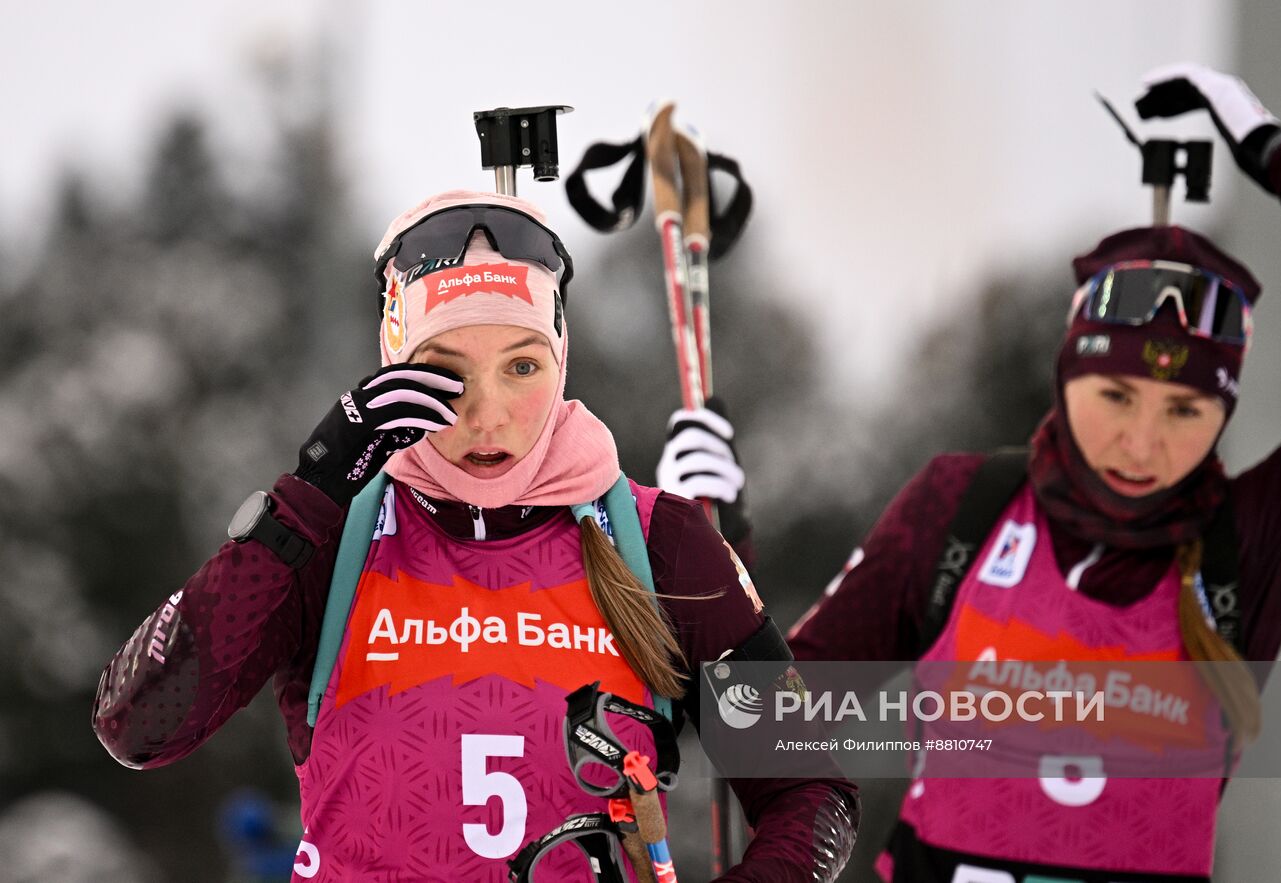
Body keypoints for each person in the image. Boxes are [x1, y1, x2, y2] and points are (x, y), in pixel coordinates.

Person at [657, 64, 1281, 882]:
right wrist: (719, 554)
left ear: (1222, 417)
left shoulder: (1251, 541)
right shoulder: (964, 507)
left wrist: (1270, 147)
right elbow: (765, 731)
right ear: (1068, 377)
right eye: (1116, 394)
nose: (1143, 441)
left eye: (1185, 412)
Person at [92, 189, 858, 882]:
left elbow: (811, 785)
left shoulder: (655, 538)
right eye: (444, 371)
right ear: (392, 364)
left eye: (521, 366)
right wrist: (303, 501)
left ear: (561, 358)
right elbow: (137, 723)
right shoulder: (333, 537)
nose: (486, 414)